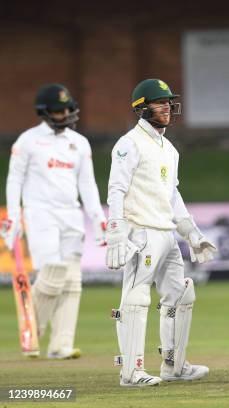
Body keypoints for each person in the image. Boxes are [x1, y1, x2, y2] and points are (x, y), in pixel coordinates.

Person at [106, 78, 215, 387]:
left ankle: (173, 365)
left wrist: (191, 232)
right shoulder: (129, 143)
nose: (167, 107)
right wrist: (115, 230)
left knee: (180, 294)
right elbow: (116, 188)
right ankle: (131, 372)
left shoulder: (169, 148)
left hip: (166, 233)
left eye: (169, 102)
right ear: (142, 108)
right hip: (141, 231)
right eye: (159, 102)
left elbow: (172, 195)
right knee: (136, 298)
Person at [1, 84, 106, 360]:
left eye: (68, 108)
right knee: (52, 273)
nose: (66, 113)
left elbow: (87, 183)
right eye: (59, 110)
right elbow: (14, 180)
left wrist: (98, 218)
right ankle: (32, 332)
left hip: (70, 214)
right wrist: (13, 216)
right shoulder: (27, 141)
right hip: (40, 214)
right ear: (45, 112)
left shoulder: (79, 143)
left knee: (72, 281)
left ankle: (61, 345)